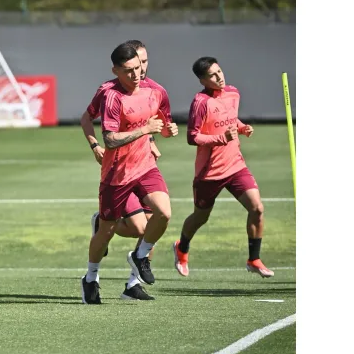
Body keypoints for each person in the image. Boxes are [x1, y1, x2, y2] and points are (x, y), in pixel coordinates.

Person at [80, 43, 178, 305]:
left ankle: (138, 266)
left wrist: (164, 134)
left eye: (141, 65)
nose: (138, 73)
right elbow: (110, 139)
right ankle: (90, 278)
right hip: (117, 174)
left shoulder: (156, 91)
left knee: (162, 214)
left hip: (145, 167)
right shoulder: (110, 95)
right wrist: (95, 145)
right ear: (116, 70)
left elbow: (162, 126)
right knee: (109, 231)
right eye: (130, 69)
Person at [172, 57, 274, 278]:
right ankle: (182, 248)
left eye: (219, 71)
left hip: (235, 165)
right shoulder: (200, 102)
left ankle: (253, 259)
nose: (219, 77)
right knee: (200, 217)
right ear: (202, 80)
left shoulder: (233, 93)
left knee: (256, 208)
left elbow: (231, 120)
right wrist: (221, 137)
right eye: (212, 75)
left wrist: (242, 127)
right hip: (209, 173)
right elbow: (192, 137)